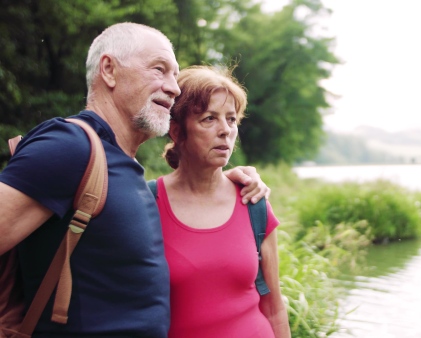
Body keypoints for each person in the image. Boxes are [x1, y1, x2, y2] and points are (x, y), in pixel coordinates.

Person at [0, 22, 269, 337]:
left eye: (174, 74)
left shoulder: (121, 163)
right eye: (159, 70)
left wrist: (222, 182)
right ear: (110, 70)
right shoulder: (71, 145)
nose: (174, 87)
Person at [154, 65, 290, 338]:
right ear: (176, 131)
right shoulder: (148, 204)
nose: (225, 130)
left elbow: (274, 308)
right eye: (209, 119)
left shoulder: (253, 201)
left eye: (231, 119)